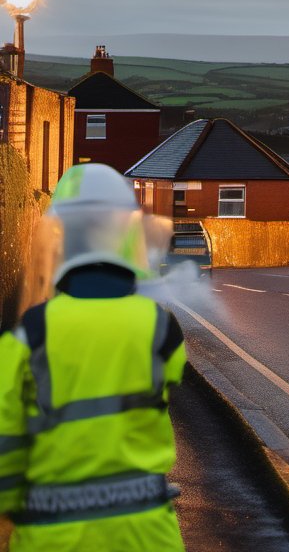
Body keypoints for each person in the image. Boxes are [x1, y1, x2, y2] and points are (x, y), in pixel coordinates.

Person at [0, 163, 186, 551]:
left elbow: (6, 445)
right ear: (127, 235)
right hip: (146, 535)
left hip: (52, 536)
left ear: (60, 239)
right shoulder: (160, 328)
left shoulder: (29, 336)